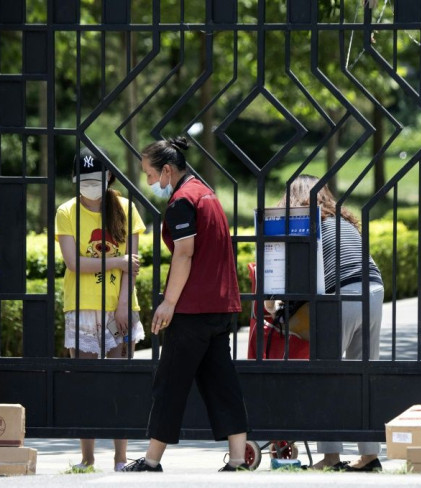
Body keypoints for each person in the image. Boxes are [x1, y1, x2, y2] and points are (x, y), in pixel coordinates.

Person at [122, 137, 249, 473]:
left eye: (150, 175)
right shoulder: (208, 194)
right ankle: (238, 459)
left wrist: (168, 302)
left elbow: (184, 252)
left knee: (170, 383)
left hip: (192, 309)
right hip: (220, 307)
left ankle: (151, 461)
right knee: (221, 381)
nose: (149, 182)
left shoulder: (182, 201)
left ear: (167, 170)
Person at [275, 175, 385, 472]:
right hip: (374, 290)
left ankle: (331, 456)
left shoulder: (308, 226)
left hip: (344, 295)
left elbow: (300, 278)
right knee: (365, 373)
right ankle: (370, 454)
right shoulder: (343, 221)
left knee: (327, 374)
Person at [55, 147, 145, 472]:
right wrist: (117, 261)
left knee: (119, 384)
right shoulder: (66, 212)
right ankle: (87, 458)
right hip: (80, 308)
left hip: (119, 308)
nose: (90, 185)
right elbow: (73, 262)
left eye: (96, 179)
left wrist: (123, 304)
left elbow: (131, 268)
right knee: (85, 384)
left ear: (108, 177)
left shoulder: (126, 209)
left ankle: (121, 458)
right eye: (84, 180)